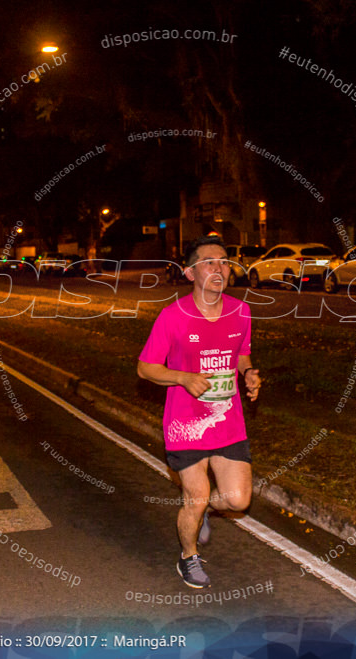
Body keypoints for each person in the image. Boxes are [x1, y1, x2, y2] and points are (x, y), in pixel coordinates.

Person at [137, 236, 261, 588]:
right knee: (196, 495)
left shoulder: (242, 311)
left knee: (238, 500)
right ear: (191, 273)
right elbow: (145, 368)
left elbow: (241, 356)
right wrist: (182, 377)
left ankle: (204, 509)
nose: (219, 268)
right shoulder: (172, 318)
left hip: (228, 422)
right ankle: (189, 557)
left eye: (224, 262)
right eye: (209, 262)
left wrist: (249, 375)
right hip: (185, 424)